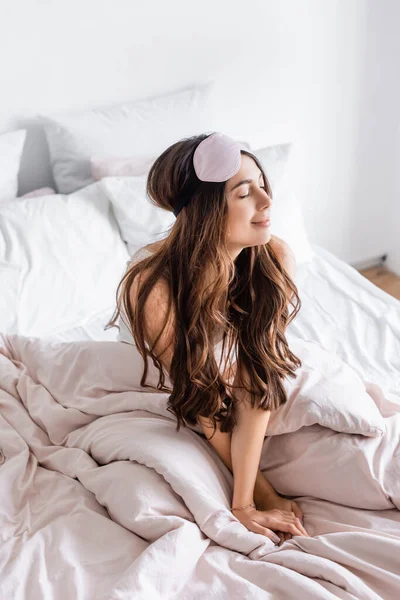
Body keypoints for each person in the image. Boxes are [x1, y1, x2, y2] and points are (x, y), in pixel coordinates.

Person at [107, 132, 384, 546]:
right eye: (243, 193)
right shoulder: (152, 286)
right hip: (174, 383)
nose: (267, 201)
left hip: (241, 378)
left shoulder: (275, 258)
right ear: (206, 212)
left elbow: (256, 378)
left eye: (262, 184)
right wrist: (253, 500)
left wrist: (251, 499)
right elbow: (201, 398)